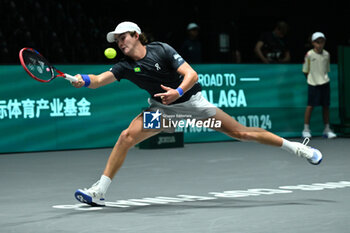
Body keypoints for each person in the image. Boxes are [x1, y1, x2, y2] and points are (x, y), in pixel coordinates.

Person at [72, 22, 323, 206]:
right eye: (116, 40)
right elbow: (97, 80)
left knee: (242, 133)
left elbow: (192, 75)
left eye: (122, 37)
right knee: (127, 136)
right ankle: (99, 192)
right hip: (164, 112)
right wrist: (81, 80)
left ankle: (296, 148)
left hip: (193, 105)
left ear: (136, 35)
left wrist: (177, 91)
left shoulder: (162, 50)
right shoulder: (124, 66)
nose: (119, 42)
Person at [302, 32, 337, 139]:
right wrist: (311, 79)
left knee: (326, 106)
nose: (320, 44)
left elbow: (326, 70)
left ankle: (327, 129)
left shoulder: (327, 54)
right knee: (310, 106)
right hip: (313, 83)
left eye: (322, 42)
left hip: (325, 83)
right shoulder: (309, 54)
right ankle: (306, 129)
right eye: (317, 42)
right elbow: (305, 71)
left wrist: (322, 78)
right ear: (313, 43)